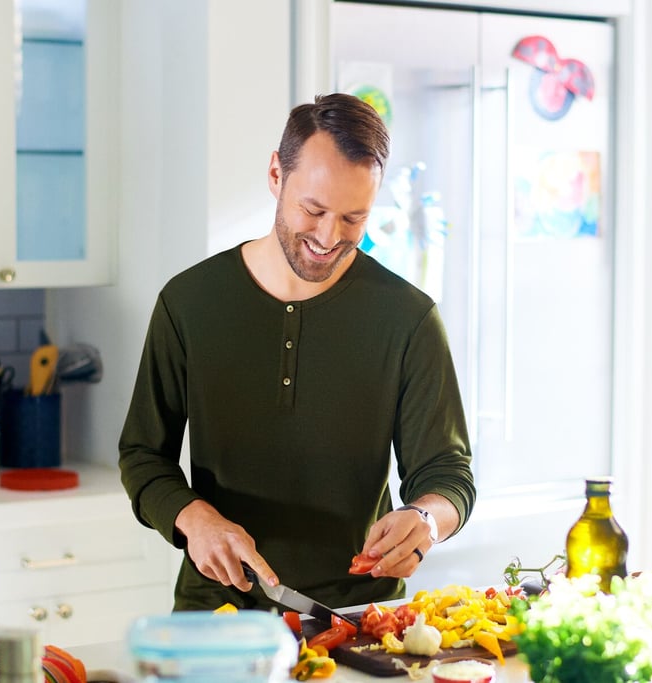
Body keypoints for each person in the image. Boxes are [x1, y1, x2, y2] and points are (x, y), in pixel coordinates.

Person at [118, 93, 475, 612]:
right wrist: (194, 518)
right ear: (275, 175)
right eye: (314, 209)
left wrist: (425, 521)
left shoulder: (408, 318)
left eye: (354, 218)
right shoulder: (189, 302)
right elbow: (143, 455)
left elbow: (449, 474)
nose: (330, 237)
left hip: (356, 619)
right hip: (216, 613)